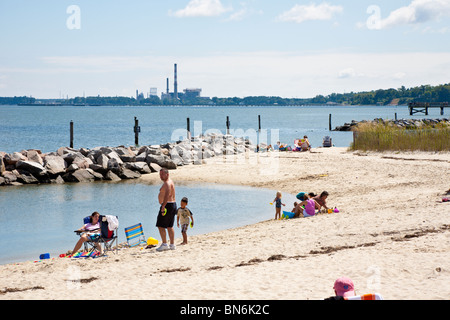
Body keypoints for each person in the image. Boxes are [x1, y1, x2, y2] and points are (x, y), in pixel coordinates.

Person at [156, 168, 177, 251]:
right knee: (169, 226)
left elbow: (167, 194)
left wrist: (163, 206)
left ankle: (164, 244)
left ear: (167, 174)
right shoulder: (169, 182)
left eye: (162, 174)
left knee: (160, 225)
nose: (160, 176)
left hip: (167, 206)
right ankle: (172, 245)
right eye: (160, 174)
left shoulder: (167, 183)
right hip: (172, 205)